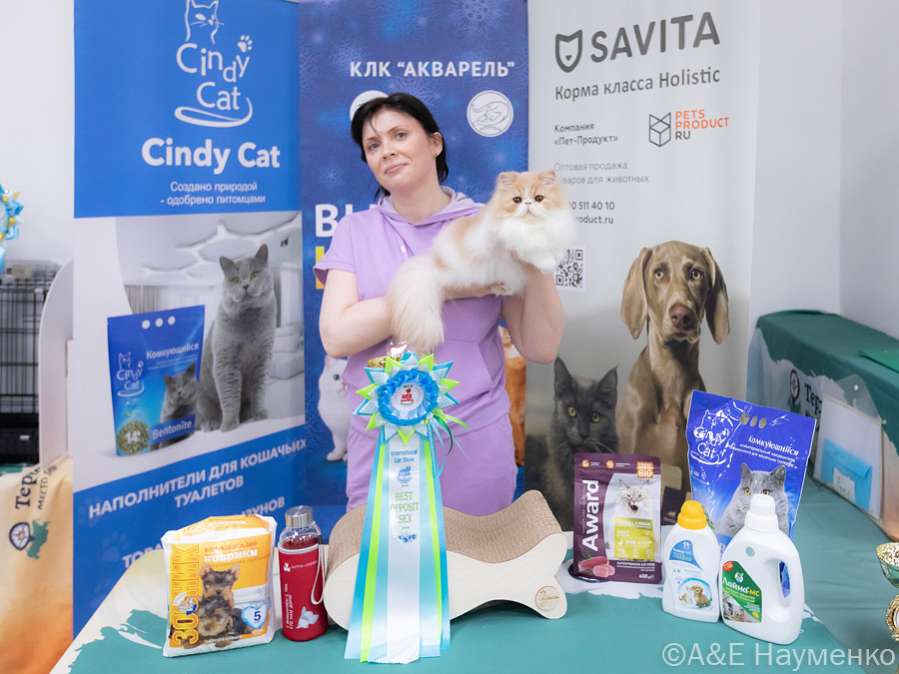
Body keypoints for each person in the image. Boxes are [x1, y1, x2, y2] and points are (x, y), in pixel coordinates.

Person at [314, 92, 563, 516]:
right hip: (383, 448)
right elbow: (337, 337)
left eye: (399, 135)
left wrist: (537, 253)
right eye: (373, 145)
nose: (386, 150)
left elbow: (541, 347)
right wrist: (442, 285)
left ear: (434, 142)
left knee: (480, 555)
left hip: (474, 446)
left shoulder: (489, 226)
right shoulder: (354, 230)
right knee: (382, 558)